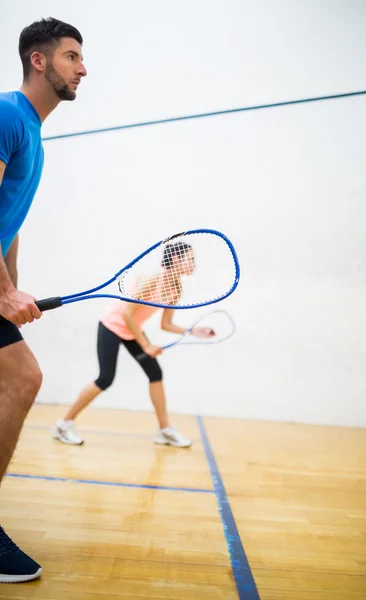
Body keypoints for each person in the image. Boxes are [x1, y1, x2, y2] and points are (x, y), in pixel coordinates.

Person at [0, 18, 87, 583]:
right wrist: (4, 293)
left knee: (18, 378)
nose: (83, 68)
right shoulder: (8, 114)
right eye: (72, 56)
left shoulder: (30, 129)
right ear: (40, 60)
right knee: (22, 379)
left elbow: (8, 224)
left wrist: (13, 284)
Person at [53, 242, 214, 448]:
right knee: (105, 379)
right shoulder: (152, 279)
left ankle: (165, 431)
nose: (194, 264)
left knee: (155, 374)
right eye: (190, 259)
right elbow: (127, 314)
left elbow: (166, 324)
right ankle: (63, 425)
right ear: (175, 259)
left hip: (131, 330)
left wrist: (192, 331)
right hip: (112, 325)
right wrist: (146, 345)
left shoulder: (176, 288)